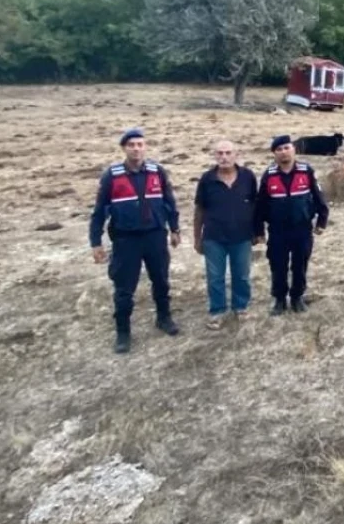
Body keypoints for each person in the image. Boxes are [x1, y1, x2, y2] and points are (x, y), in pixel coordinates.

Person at [89, 126, 181, 353]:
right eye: (131, 145)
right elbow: (100, 211)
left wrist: (175, 228)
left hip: (155, 236)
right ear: (124, 148)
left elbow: (170, 202)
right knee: (123, 287)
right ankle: (123, 332)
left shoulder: (157, 171)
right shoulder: (112, 175)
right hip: (125, 240)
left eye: (140, 144)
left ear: (145, 147)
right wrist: (95, 241)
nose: (136, 149)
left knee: (160, 280)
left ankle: (163, 317)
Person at [253, 134, 329, 315]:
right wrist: (258, 230)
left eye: (286, 148)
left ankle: (297, 297)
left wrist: (322, 220)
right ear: (274, 154)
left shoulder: (306, 171)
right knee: (277, 265)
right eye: (278, 150)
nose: (283, 152)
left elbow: (319, 197)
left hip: (302, 229)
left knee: (300, 265)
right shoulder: (269, 175)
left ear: (294, 149)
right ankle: (279, 299)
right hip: (278, 231)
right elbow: (260, 205)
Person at [193, 139, 257, 329]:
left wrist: (257, 231)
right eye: (220, 153)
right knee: (215, 277)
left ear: (236, 154)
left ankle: (240, 307)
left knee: (242, 275)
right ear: (215, 156)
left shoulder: (248, 176)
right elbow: (199, 210)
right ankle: (217, 311)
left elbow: (256, 205)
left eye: (228, 153)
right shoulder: (207, 179)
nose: (224, 157)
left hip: (242, 236)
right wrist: (197, 238)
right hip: (214, 237)